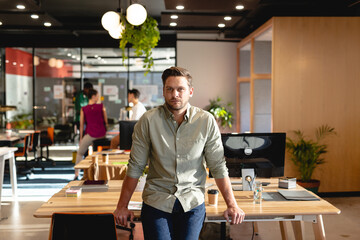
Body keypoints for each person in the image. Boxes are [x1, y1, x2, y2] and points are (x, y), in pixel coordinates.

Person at [113, 67, 245, 239]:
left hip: (192, 202)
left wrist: (232, 204)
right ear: (163, 91)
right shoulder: (148, 121)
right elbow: (136, 166)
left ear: (190, 91)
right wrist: (122, 206)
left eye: (180, 89)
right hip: (156, 200)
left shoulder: (206, 121)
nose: (175, 94)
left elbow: (218, 166)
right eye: (170, 89)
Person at [74, 88, 108, 180]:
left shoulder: (84, 109)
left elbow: (81, 125)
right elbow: (106, 121)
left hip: (90, 135)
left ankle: (76, 174)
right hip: (101, 134)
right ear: (93, 96)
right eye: (97, 96)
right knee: (98, 151)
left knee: (80, 153)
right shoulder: (101, 106)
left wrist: (81, 138)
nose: (98, 97)